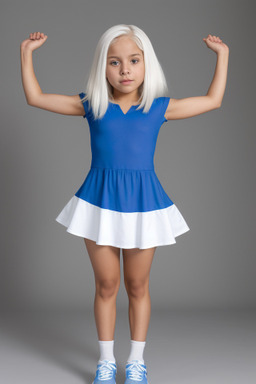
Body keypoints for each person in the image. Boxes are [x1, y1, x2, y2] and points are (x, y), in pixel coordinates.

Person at [20, 24, 229, 384]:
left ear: (147, 64)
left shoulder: (158, 107)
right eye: (115, 63)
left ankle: (136, 362)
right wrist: (26, 54)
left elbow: (213, 101)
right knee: (106, 285)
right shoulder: (92, 105)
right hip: (99, 202)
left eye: (133, 61)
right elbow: (36, 97)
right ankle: (104, 361)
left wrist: (223, 56)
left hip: (144, 205)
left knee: (137, 285)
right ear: (103, 67)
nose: (125, 70)